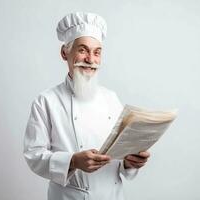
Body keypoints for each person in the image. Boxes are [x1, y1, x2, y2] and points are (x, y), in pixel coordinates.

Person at [23, 12, 150, 200]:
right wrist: (72, 161)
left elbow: (120, 158)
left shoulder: (111, 98)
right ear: (64, 53)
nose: (91, 59)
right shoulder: (46, 101)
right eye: (83, 50)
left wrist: (131, 162)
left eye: (97, 52)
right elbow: (33, 155)